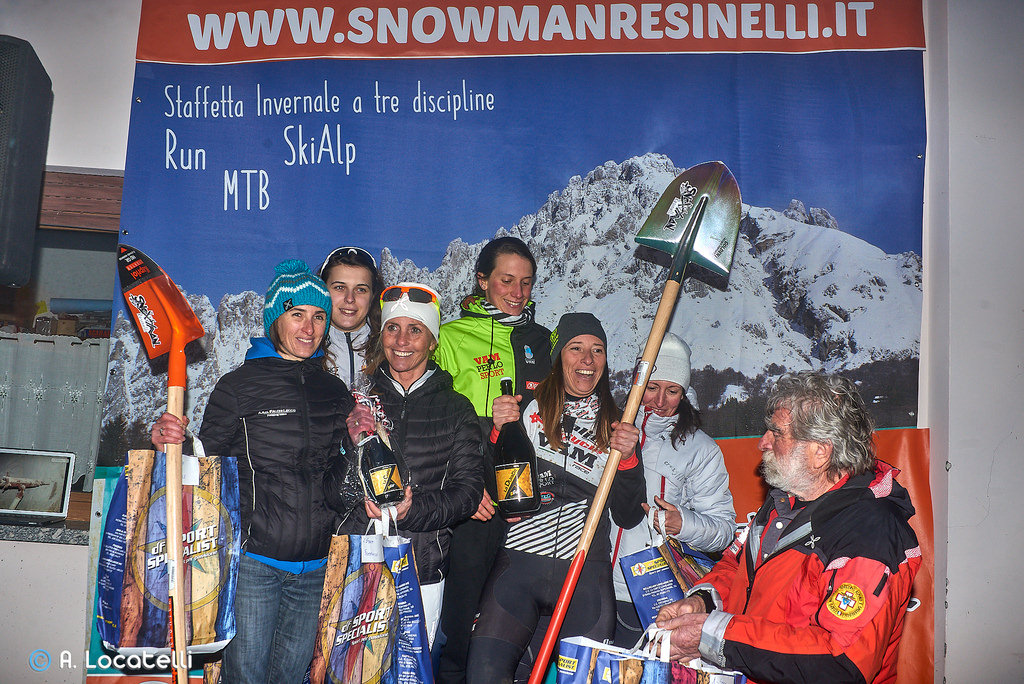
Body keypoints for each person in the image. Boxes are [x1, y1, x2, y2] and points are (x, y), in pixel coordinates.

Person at [151, 259, 364, 684]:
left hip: (317, 564)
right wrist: (165, 444)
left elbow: (343, 474)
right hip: (254, 563)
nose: (310, 328)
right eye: (297, 314)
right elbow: (203, 466)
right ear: (274, 320)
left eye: (319, 316)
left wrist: (359, 443)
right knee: (245, 677)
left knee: (288, 678)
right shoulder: (238, 386)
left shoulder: (334, 390)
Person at [655, 370, 921, 684]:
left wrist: (716, 635)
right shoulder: (785, 499)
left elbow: (839, 661)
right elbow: (735, 567)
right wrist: (700, 603)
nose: (762, 443)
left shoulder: (870, 531)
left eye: (777, 433)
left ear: (820, 451)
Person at [466, 313, 647, 684]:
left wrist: (628, 460)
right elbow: (493, 490)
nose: (587, 359)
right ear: (558, 357)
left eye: (597, 350)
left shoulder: (618, 423)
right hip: (518, 567)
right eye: (576, 348)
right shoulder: (525, 408)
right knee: (483, 675)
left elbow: (629, 515)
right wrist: (498, 434)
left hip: (584, 577)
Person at [433, 236, 552, 683]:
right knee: (460, 626)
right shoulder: (450, 337)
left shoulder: (545, 341)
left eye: (526, 282)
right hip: (472, 499)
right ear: (482, 280)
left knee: (518, 625)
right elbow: (434, 415)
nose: (517, 292)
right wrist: (486, 423)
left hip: (530, 503)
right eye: (506, 280)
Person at [346, 281, 484, 647]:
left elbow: (468, 493)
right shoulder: (357, 404)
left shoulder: (457, 410)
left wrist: (412, 510)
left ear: (433, 341)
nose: (402, 340)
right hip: (358, 563)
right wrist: (351, 466)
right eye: (393, 328)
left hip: (422, 569)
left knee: (410, 670)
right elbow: (330, 485)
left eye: (415, 330)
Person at [609, 333, 736, 647]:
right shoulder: (607, 427)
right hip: (593, 582)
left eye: (672, 390)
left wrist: (685, 524)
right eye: (652, 387)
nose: (660, 401)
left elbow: (724, 531)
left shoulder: (699, 449)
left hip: (652, 590)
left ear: (685, 392)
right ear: (638, 383)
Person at [317, 245, 386, 390]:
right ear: (322, 291)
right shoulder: (304, 347)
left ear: (373, 296)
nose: (350, 298)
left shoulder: (390, 348)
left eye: (361, 289)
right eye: (339, 287)